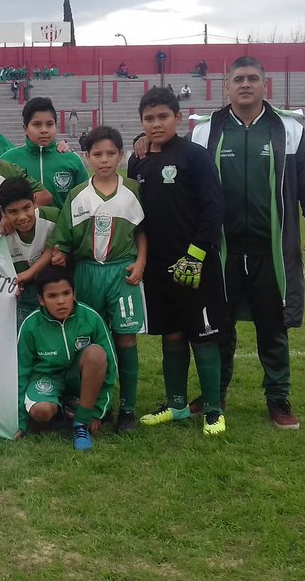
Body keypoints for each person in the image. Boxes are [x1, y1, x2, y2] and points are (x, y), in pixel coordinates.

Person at [187, 56, 305, 429]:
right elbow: (185, 181)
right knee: (219, 327)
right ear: (227, 86)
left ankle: (278, 399)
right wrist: (143, 143)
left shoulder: (288, 129)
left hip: (273, 249)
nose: (245, 84)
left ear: (265, 85)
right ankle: (215, 394)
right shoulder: (205, 131)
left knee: (273, 327)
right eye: (238, 79)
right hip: (222, 250)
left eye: (253, 78)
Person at [125, 87, 227, 436]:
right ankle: (177, 404)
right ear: (141, 122)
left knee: (203, 335)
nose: (156, 124)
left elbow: (214, 208)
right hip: (157, 266)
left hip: (195, 265)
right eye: (149, 119)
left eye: (163, 117)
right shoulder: (137, 160)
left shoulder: (194, 156)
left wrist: (195, 255)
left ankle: (213, 408)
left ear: (178, 119)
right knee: (171, 334)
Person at [49, 126, 147, 434]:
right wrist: (60, 253)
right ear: (87, 157)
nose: (104, 160)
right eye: (97, 154)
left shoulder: (133, 188)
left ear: (121, 155)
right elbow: (63, 238)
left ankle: (128, 408)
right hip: (88, 272)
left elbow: (143, 230)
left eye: (110, 154)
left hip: (122, 272)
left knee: (126, 338)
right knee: (91, 341)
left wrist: (141, 261)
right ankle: (94, 404)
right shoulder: (79, 194)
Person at [16, 266, 119, 451]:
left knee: (96, 354)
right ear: (41, 300)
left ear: (74, 294)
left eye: (66, 293)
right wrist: (20, 422)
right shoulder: (30, 325)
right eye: (52, 296)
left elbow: (110, 368)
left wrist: (97, 413)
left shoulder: (91, 318)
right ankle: (65, 408)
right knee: (41, 412)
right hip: (47, 378)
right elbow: (20, 373)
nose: (61, 301)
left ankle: (80, 423)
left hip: (79, 378)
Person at [0, 98, 87, 209]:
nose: (44, 130)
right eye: (37, 125)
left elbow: (85, 201)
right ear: (25, 129)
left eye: (49, 124)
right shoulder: (8, 160)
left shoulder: (72, 159)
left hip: (62, 226)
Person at [0, 177, 58, 324]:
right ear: (2, 212)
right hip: (25, 302)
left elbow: (59, 249)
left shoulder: (54, 217)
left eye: (26, 208)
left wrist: (30, 273)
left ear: (35, 202)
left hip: (57, 295)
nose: (22, 217)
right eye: (13, 212)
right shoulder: (2, 237)